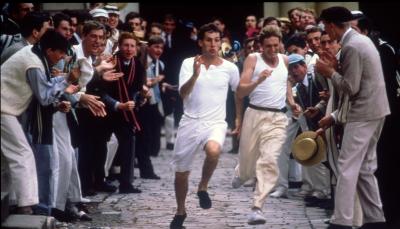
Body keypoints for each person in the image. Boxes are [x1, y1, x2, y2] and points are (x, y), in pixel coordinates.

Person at [316, 6, 390, 229]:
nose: (325, 33)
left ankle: (341, 221)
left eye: (325, 27)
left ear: (330, 25)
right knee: (365, 168)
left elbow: (351, 87)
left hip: (363, 112)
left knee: (347, 167)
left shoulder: (352, 45)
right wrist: (336, 68)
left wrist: (329, 72)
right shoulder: (359, 41)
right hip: (376, 110)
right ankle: (375, 219)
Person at [169, 23, 241, 229]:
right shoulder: (187, 63)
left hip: (216, 122)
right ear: (200, 42)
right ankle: (180, 211)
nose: (213, 44)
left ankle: (203, 186)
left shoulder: (230, 68)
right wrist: (195, 74)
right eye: (208, 40)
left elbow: (238, 93)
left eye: (217, 40)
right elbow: (183, 93)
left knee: (214, 150)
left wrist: (238, 119)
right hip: (190, 121)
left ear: (221, 42)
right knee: (181, 173)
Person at [231, 25, 298, 225]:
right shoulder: (253, 60)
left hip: (278, 118)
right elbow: (240, 91)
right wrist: (257, 81)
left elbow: (284, 81)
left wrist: (292, 102)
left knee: (269, 160)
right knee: (248, 164)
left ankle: (257, 207)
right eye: (268, 46)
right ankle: (240, 172)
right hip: (254, 114)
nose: (272, 49)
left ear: (280, 44)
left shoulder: (285, 60)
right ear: (261, 46)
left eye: (275, 45)